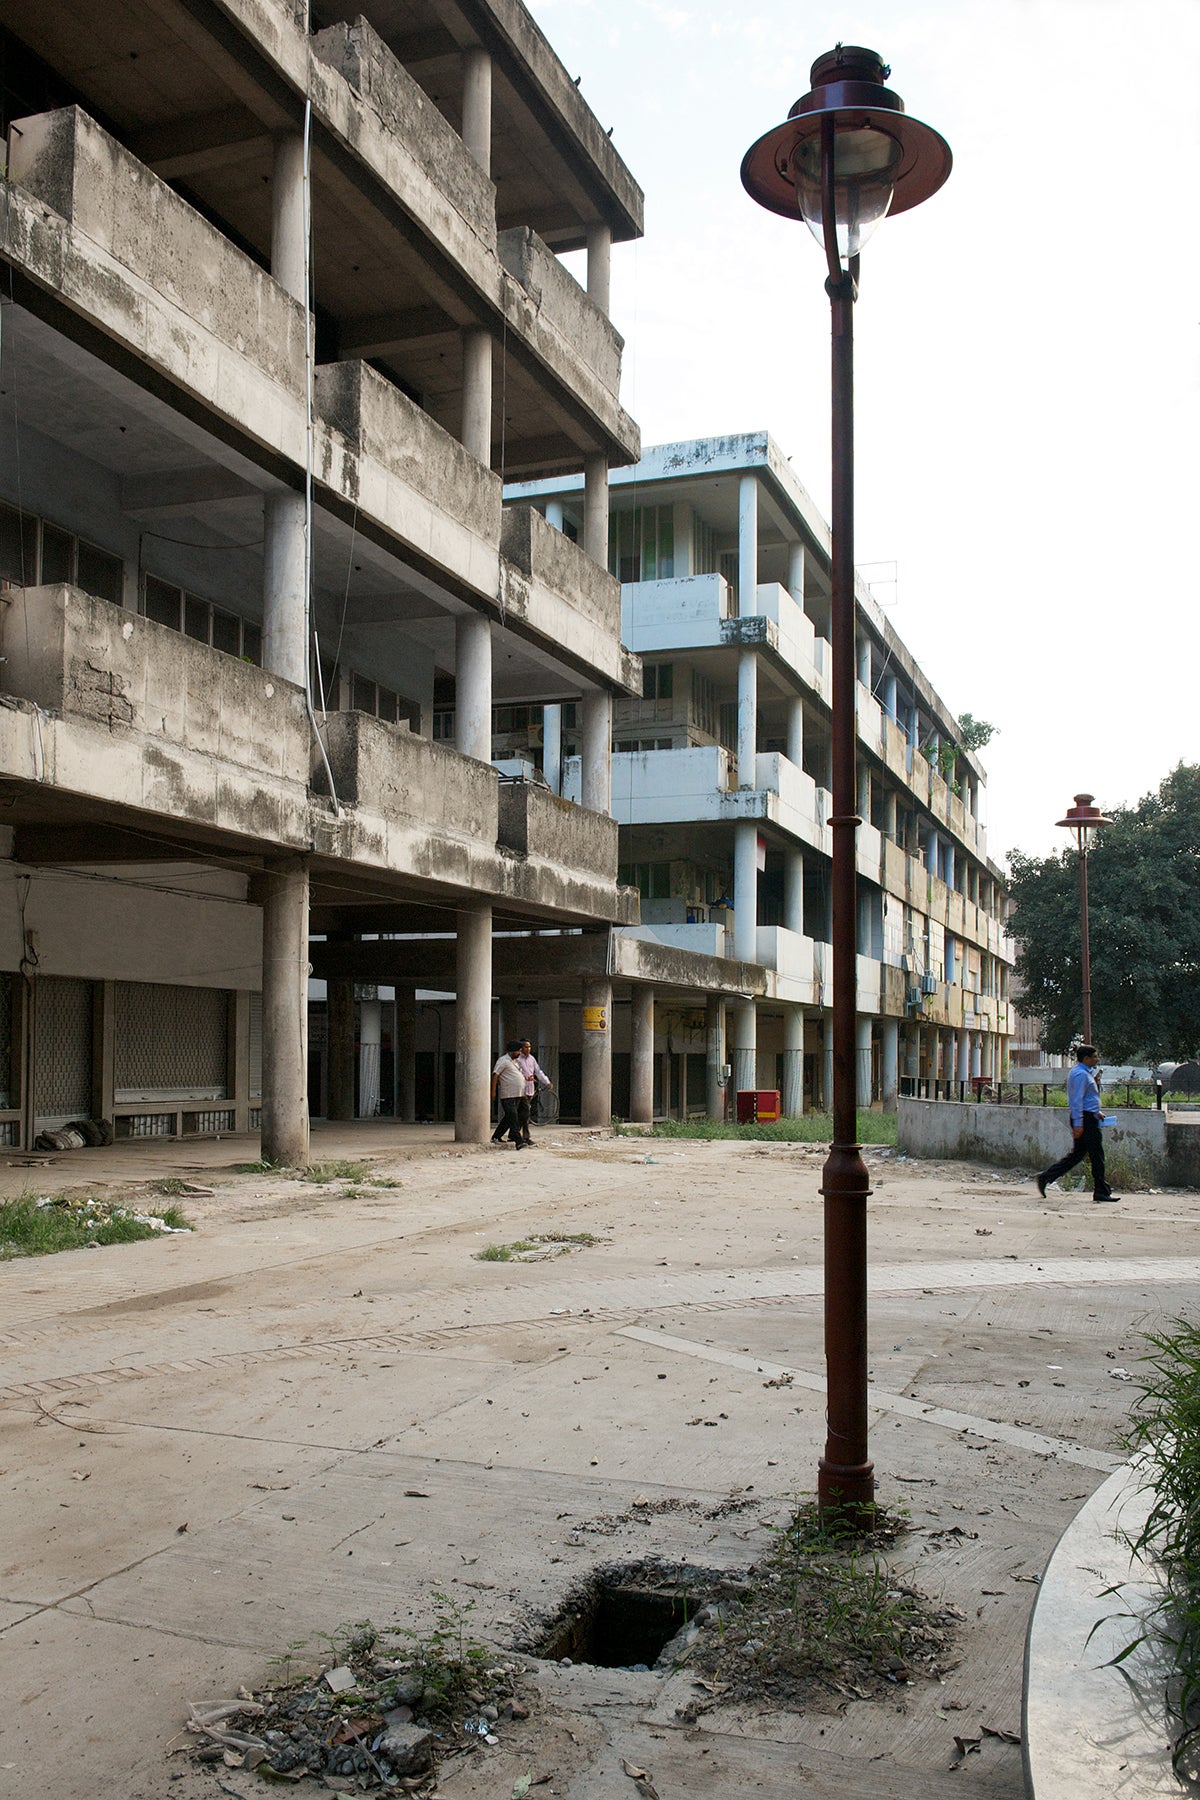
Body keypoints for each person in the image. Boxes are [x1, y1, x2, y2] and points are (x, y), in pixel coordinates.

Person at [1037, 1045, 1118, 1202]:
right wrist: (1079, 1124)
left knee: (1078, 1155)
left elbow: (1086, 1099)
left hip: (1088, 1117)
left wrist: (1096, 1112)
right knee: (1097, 1155)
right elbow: (1076, 1100)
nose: (1097, 1059)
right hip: (1085, 1120)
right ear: (1086, 1058)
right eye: (1094, 1056)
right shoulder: (1080, 1074)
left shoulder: (1083, 1073)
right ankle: (1101, 1191)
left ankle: (1046, 1177)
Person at [515, 1038, 553, 1145]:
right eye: (526, 1047)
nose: (528, 1049)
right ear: (521, 1048)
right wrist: (525, 1077)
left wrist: (546, 1082)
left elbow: (538, 1072)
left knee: (522, 1114)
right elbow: (515, 1073)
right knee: (524, 1114)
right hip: (520, 1090)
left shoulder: (531, 1059)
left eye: (529, 1047)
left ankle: (516, 1134)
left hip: (529, 1089)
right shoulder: (517, 1059)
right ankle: (524, 1136)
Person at [490, 1040, 526, 1148]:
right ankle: (518, 1140)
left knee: (509, 1117)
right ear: (512, 1051)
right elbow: (496, 1075)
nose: (520, 1053)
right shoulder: (503, 1061)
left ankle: (496, 1136)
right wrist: (493, 1091)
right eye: (518, 1051)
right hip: (508, 1094)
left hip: (518, 1094)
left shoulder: (515, 1062)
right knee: (513, 1117)